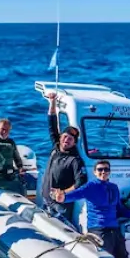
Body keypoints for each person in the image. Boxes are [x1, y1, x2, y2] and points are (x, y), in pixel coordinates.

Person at [51, 160, 130, 258]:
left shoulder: (114, 188)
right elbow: (75, 194)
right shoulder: (90, 186)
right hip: (99, 231)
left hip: (114, 230)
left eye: (106, 169)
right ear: (95, 172)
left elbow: (119, 208)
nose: (103, 172)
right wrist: (62, 198)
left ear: (109, 172)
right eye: (100, 169)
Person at [40, 92, 88, 222]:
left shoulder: (75, 160)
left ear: (74, 143)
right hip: (46, 200)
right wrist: (52, 102)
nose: (67, 140)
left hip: (61, 206)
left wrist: (63, 192)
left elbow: (81, 181)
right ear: (61, 137)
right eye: (65, 136)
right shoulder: (56, 147)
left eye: (71, 139)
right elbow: (52, 124)